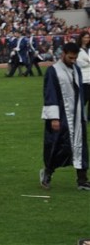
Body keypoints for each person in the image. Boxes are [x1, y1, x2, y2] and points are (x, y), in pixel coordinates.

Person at [40, 42, 90, 190]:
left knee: (80, 147)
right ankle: (47, 173)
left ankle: (82, 179)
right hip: (61, 115)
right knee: (57, 146)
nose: (73, 61)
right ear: (63, 54)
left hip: (77, 116)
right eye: (70, 57)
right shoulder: (53, 71)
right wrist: (54, 117)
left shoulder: (77, 70)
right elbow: (50, 94)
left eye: (75, 58)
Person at [76, 31, 90, 121]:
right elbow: (79, 62)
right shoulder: (77, 49)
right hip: (83, 78)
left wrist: (87, 62)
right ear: (81, 38)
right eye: (85, 37)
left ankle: (89, 117)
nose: (86, 39)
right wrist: (87, 62)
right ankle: (80, 115)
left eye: (88, 37)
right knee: (84, 99)